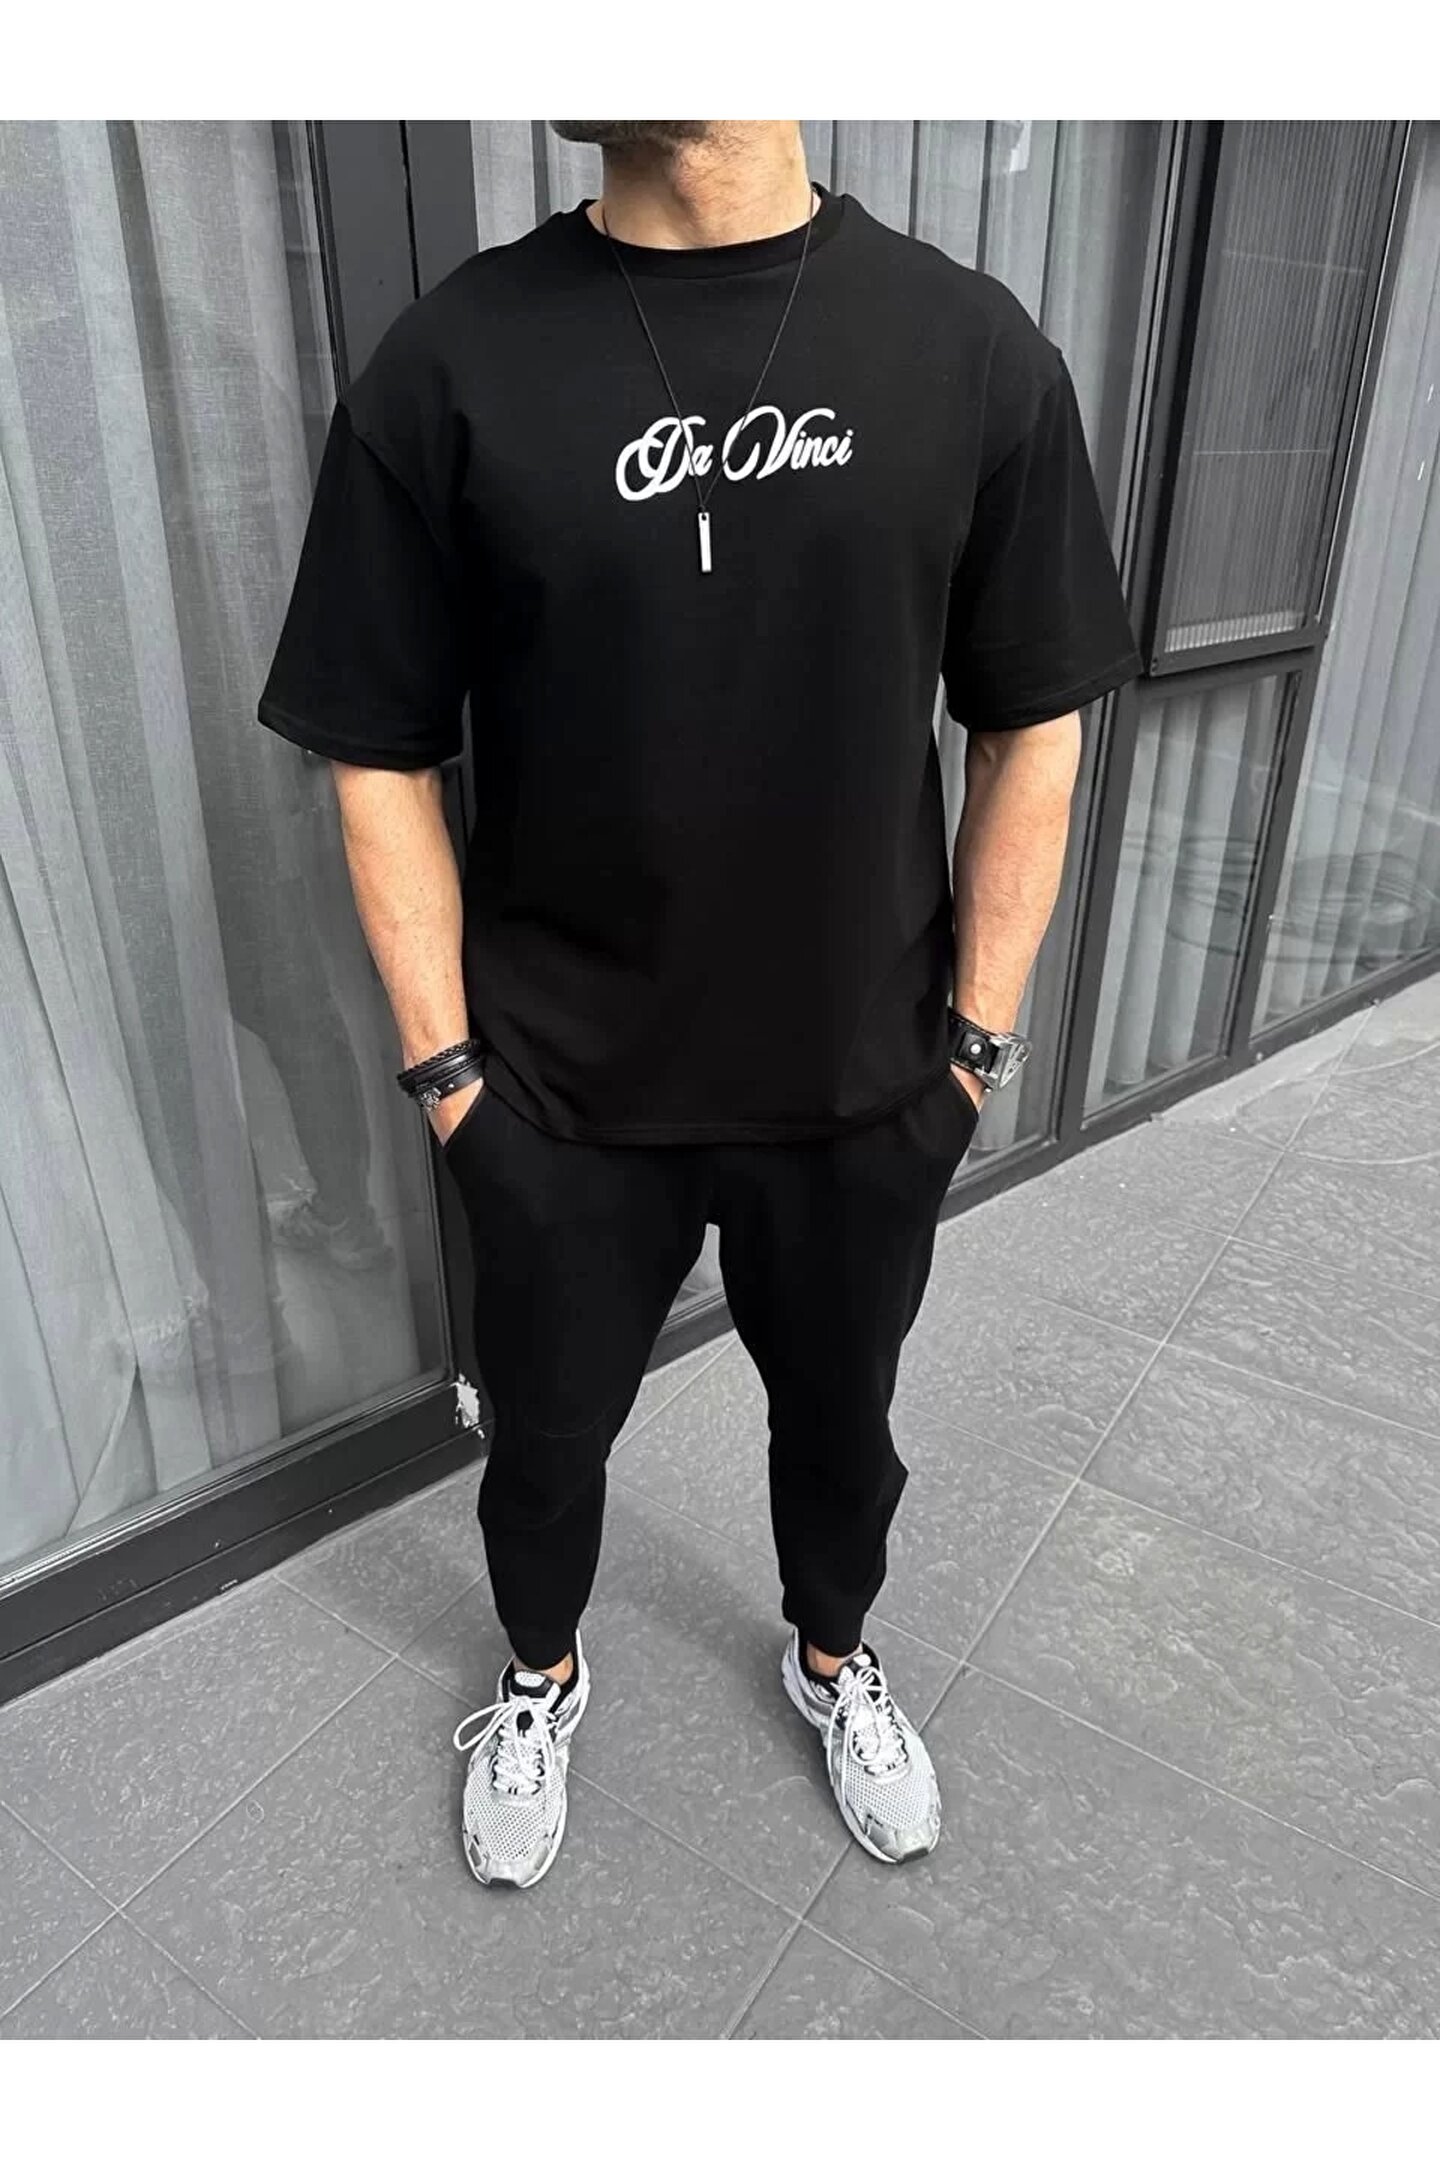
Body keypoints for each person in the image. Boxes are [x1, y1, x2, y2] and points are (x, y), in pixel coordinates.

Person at [258, 119, 1141, 1890]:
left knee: (846, 1434)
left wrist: (973, 1048)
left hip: (864, 1082)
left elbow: (1032, 716)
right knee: (542, 1449)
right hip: (557, 1098)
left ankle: (834, 1657)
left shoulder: (971, 352)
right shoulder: (456, 362)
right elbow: (374, 747)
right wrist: (450, 1082)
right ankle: (538, 1677)